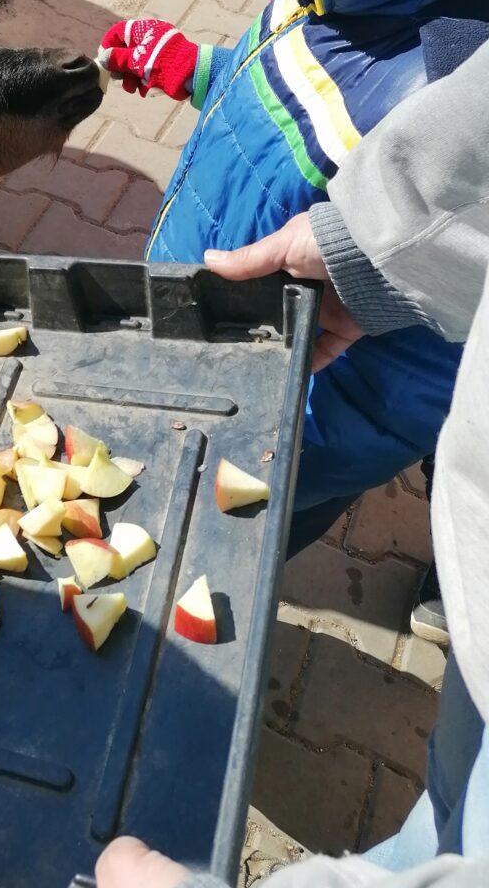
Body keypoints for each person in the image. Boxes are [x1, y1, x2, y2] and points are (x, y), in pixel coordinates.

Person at [97, 0, 489, 557]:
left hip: (277, 430)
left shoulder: (442, 109)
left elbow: (427, 372)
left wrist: (275, 444)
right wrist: (198, 68)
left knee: (225, 553)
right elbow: (296, 93)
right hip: (215, 324)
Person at [95, 43, 489, 888]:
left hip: (328, 424)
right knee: (451, 804)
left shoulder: (428, 40)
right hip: (477, 584)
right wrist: (366, 251)